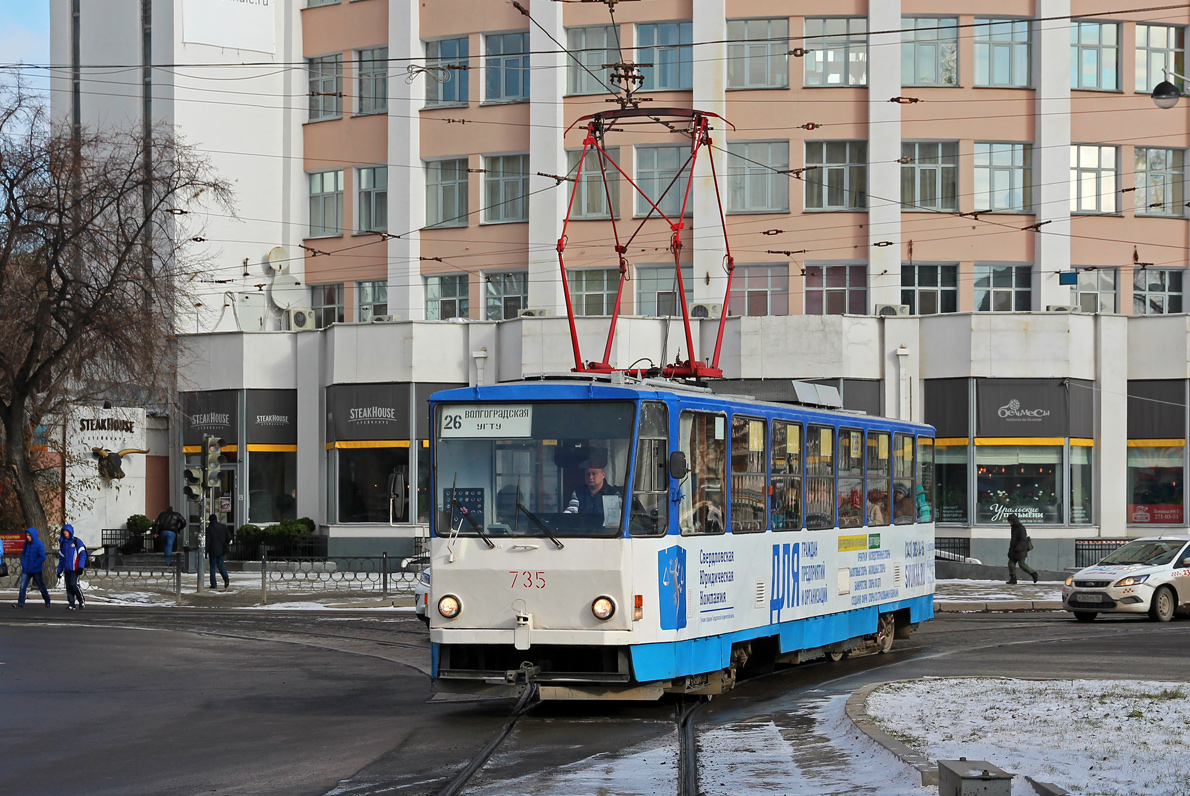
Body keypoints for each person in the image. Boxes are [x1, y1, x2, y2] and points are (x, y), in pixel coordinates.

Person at [562, 452, 622, 526]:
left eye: (594, 474)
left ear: (603, 475)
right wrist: (563, 519)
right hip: (582, 533)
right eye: (588, 474)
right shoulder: (578, 492)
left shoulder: (613, 493)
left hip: (606, 535)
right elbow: (572, 510)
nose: (590, 477)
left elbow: (616, 518)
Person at [12, 528, 50, 608]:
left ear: (33, 536)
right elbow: (24, 555)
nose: (28, 537)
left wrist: (35, 564)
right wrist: (24, 563)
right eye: (27, 535)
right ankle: (21, 603)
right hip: (27, 569)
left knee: (41, 586)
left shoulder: (39, 544)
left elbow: (42, 557)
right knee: (22, 586)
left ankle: (47, 600)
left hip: (36, 569)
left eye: (29, 535)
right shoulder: (26, 544)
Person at [56, 524, 88, 610]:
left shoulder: (76, 541)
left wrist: (80, 567)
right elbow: (61, 558)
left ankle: (81, 600)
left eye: (67, 531)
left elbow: (82, 555)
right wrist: (59, 570)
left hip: (75, 568)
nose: (65, 533)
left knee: (74, 585)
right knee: (68, 587)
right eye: (64, 531)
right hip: (67, 568)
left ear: (70, 532)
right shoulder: (63, 543)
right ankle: (71, 603)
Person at [1006, 513, 1038, 584]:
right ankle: (1013, 578)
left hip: (1020, 549)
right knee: (1011, 564)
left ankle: (1033, 573)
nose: (1009, 523)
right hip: (1014, 549)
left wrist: (1019, 547)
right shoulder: (1013, 527)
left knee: (1021, 564)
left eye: (1010, 521)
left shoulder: (1020, 528)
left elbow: (1022, 539)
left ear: (1013, 521)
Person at [206, 514, 231, 589]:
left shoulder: (209, 529)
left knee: (212, 567)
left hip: (213, 550)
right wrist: (225, 543)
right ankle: (225, 577)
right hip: (221, 549)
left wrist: (206, 550)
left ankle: (213, 584)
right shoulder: (223, 526)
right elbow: (229, 537)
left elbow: (208, 541)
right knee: (220, 564)